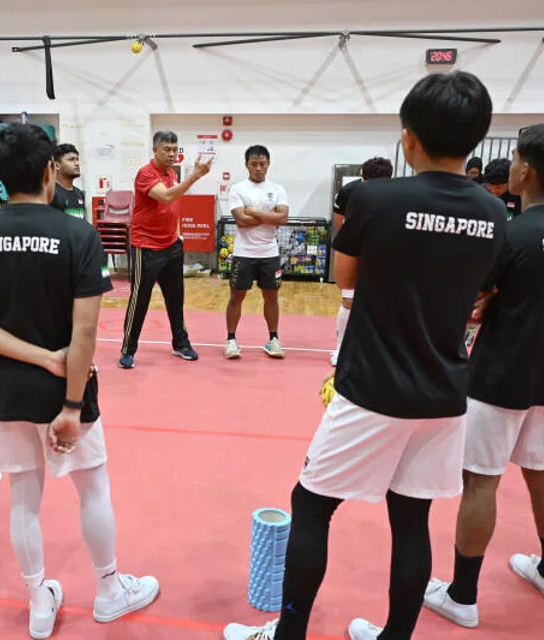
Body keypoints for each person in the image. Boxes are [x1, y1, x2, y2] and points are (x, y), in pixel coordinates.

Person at [224, 71, 506, 640]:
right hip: (445, 392)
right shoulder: (495, 212)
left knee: (311, 507)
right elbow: (481, 292)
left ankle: (288, 636)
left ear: (409, 137)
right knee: (411, 518)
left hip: (374, 385)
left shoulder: (375, 198)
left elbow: (345, 280)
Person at [0, 124, 159, 639]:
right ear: (49, 170)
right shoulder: (77, 234)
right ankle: (111, 591)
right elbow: (86, 331)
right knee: (93, 488)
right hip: (68, 393)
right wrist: (70, 402)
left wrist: (39, 358)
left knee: (24, 497)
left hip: (8, 391)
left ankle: (37, 600)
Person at [423, 124, 544, 629]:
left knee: (481, 482)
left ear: (527, 169)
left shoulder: (513, 231)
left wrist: (483, 300)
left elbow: (472, 300)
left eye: (517, 158)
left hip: (500, 375)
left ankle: (462, 594)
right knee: (543, 472)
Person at [118, 131, 212, 369]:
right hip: (146, 247)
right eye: (166, 149)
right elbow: (168, 197)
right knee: (139, 300)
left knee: (176, 298)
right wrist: (195, 176)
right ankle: (128, 348)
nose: (172, 154)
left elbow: (171, 208)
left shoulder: (172, 173)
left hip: (171, 246)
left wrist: (177, 235)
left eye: (174, 149)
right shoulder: (145, 173)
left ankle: (180, 343)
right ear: (155, 150)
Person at [224, 145, 289, 359]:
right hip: (244, 253)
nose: (258, 168)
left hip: (269, 253)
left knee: (271, 297)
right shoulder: (237, 189)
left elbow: (283, 218)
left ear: (268, 165)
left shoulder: (278, 188)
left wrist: (255, 212)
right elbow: (241, 221)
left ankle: (273, 339)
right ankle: (231, 340)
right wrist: (269, 215)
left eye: (262, 164)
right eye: (254, 164)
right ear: (247, 165)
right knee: (236, 297)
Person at [330, 157, 393, 366]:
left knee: (381, 304)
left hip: (385, 254)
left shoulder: (397, 195)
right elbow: (341, 225)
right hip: (355, 251)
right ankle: (340, 348)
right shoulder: (349, 192)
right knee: (349, 300)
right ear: (363, 178)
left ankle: (374, 351)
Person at [50, 143, 86, 218]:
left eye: (77, 159)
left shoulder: (80, 194)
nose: (77, 164)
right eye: (71, 160)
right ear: (57, 166)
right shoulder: (51, 192)